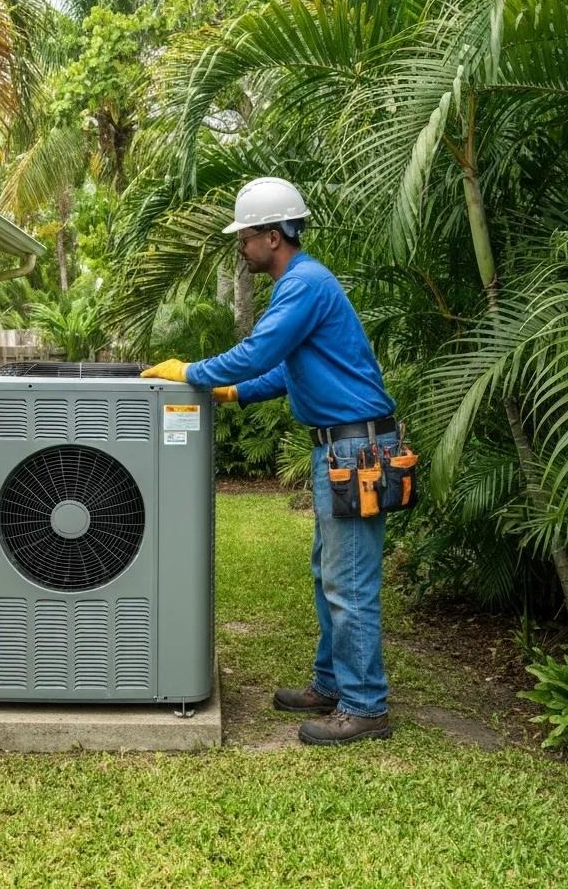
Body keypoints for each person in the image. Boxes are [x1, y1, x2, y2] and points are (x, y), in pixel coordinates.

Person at [141, 176, 398, 746]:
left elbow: (258, 352)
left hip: (356, 449)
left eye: (247, 235)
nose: (241, 245)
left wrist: (192, 373)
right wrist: (237, 393)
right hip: (341, 448)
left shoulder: (303, 283)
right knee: (328, 573)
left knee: (348, 582)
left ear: (275, 236)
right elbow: (286, 369)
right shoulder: (301, 284)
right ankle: (332, 684)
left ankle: (366, 707)